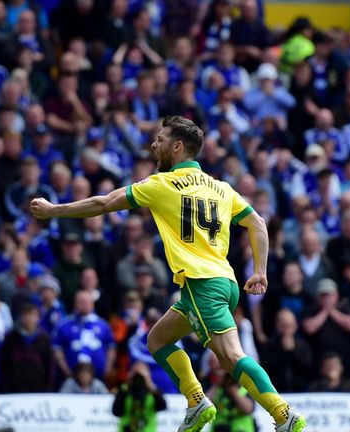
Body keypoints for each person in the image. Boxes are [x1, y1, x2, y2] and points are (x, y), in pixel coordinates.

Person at [31, 115, 306, 432]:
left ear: (177, 147)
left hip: (202, 284)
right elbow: (257, 222)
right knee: (158, 339)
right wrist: (260, 270)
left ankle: (283, 415)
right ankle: (196, 400)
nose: (153, 144)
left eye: (160, 140)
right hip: (223, 282)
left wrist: (55, 210)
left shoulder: (161, 184)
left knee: (231, 356)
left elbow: (104, 202)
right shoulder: (221, 188)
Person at [0, 303, 53, 393]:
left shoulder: (44, 338)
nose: (29, 319)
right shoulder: (11, 338)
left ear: (38, 318)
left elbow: (49, 366)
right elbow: (4, 365)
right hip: (14, 389)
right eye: (26, 315)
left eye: (32, 315)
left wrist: (47, 388)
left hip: (38, 389)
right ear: (21, 317)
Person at [112, 362, 167, 432]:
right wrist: (128, 384)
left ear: (148, 375)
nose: (138, 378)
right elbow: (116, 411)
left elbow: (163, 406)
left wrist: (149, 383)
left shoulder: (152, 390)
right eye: (136, 374)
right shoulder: (125, 389)